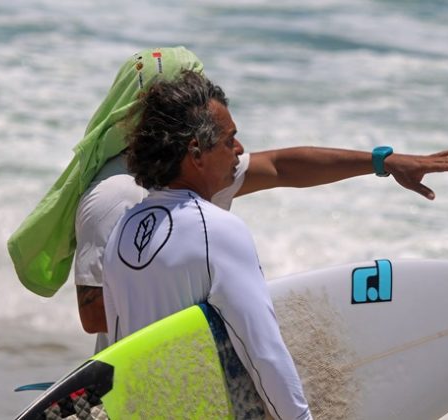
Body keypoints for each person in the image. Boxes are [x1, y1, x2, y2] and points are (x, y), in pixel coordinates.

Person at [71, 48, 448, 355]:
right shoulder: (117, 194)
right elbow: (93, 315)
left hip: (195, 364)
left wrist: (382, 161)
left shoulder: (193, 170)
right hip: (138, 378)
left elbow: (282, 166)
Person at [103, 70, 312, 420]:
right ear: (196, 152)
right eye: (230, 139)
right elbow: (264, 353)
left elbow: (119, 351)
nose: (240, 150)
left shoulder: (121, 231)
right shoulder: (216, 229)